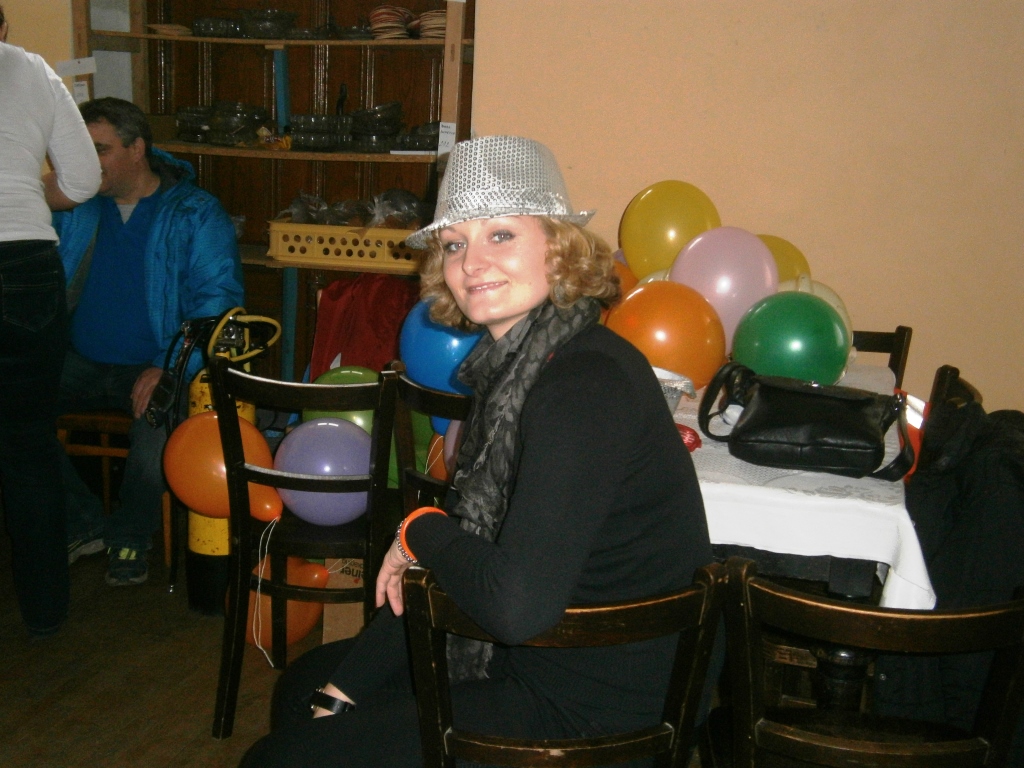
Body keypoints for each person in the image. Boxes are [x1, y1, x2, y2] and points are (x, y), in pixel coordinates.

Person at [240, 135, 719, 767]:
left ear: (558, 247)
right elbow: (470, 551)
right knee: (307, 688)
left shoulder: (582, 384)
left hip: (595, 706)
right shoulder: (520, 368)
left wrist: (420, 528)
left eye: (501, 235)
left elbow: (513, 605)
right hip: (541, 654)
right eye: (454, 243)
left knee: (277, 760)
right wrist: (345, 688)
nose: (472, 262)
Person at [54, 97, 244, 587]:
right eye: (79, 149)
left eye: (99, 149)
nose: (85, 161)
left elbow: (217, 304)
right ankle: (82, 520)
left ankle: (130, 534)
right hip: (79, 361)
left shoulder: (195, 212)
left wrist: (168, 364)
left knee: (156, 422)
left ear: (137, 149)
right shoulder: (74, 209)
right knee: (12, 405)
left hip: (156, 363)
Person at [0, 5, 101, 635]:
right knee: (28, 445)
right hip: (26, 268)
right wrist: (22, 193)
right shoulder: (34, 71)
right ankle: (44, 615)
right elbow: (84, 180)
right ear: (2, 28)